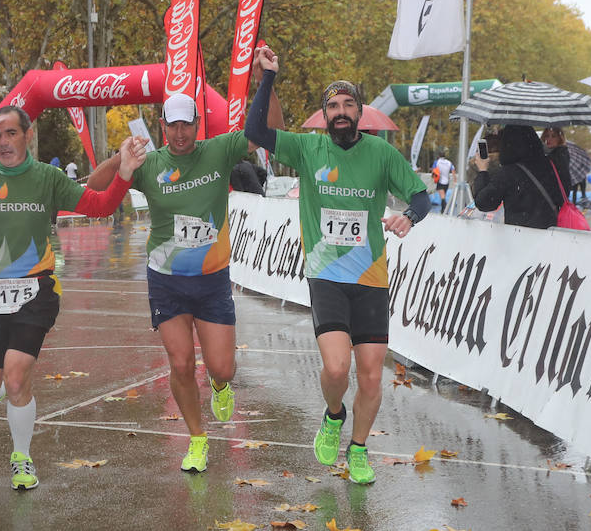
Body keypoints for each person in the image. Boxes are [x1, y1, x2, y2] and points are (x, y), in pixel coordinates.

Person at [0, 105, 146, 490]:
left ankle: (22, 457)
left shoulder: (47, 177)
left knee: (16, 378)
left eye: (11, 133)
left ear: (28, 136)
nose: (5, 141)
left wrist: (124, 172)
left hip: (35, 290)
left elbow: (99, 205)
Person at [244, 46, 431, 485]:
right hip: (325, 273)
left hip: (370, 278)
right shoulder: (308, 148)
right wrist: (268, 76)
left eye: (349, 104)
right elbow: (255, 129)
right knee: (336, 369)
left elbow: (421, 196)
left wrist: (409, 216)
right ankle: (333, 416)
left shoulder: (382, 155)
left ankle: (359, 449)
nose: (341, 112)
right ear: (325, 114)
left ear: (361, 111)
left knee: (369, 376)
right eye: (333, 106)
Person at [87, 80, 283, 473]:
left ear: (198, 126)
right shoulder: (150, 163)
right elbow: (93, 190)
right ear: (162, 127)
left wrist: (269, 81)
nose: (179, 134)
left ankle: (220, 385)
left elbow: (270, 129)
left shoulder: (220, 149)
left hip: (211, 280)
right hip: (167, 280)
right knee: (179, 365)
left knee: (222, 367)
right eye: (172, 126)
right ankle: (197, 439)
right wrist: (119, 159)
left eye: (186, 126)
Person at [474, 125, 561, 229]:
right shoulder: (550, 165)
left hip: (519, 235)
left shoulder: (509, 173)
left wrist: (483, 171)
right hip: (550, 234)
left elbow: (484, 203)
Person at [540, 127, 571, 198]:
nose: (549, 139)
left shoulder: (560, 154)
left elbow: (563, 180)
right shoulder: (550, 153)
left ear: (560, 138)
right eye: (547, 136)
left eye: (553, 136)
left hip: (555, 199)